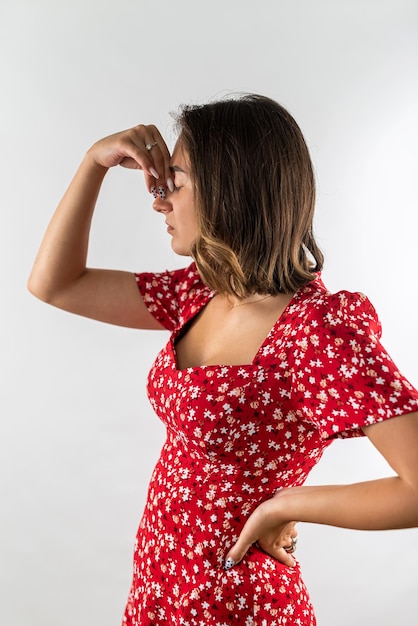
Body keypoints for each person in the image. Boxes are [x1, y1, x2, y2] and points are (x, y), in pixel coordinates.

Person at [28, 94, 418, 626]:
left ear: (231, 190)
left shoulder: (318, 330)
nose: (160, 201)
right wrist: (93, 163)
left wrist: (286, 505)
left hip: (237, 602)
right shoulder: (203, 291)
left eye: (178, 181)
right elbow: (56, 283)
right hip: (159, 586)